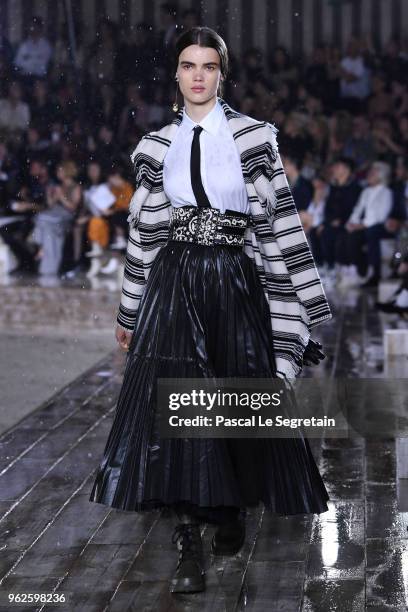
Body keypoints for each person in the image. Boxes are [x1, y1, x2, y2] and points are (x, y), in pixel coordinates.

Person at [89, 26, 332, 595]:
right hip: (174, 283)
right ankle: (187, 540)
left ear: (222, 74)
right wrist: (129, 313)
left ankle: (226, 508)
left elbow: (279, 223)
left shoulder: (254, 139)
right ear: (176, 75)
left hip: (234, 282)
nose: (198, 75)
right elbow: (143, 237)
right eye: (188, 65)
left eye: (208, 66)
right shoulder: (153, 148)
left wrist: (301, 299)